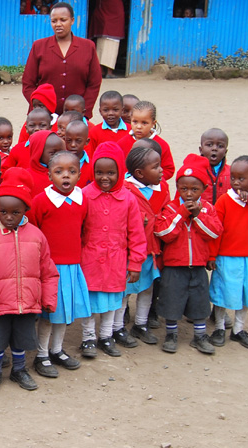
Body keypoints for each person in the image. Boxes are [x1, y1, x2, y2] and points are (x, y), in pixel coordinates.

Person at [0, 168, 59, 394]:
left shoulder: (37, 236)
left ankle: (19, 370)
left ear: (25, 210)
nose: (9, 217)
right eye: (3, 212)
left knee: (21, 340)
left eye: (15, 212)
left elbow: (48, 271)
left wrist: (48, 299)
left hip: (28, 302)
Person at [79, 142, 146, 358]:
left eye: (111, 172)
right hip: (89, 259)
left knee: (112, 302)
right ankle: (88, 338)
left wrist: (135, 263)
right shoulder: (84, 195)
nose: (104, 177)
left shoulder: (128, 199)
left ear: (120, 172)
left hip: (116, 260)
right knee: (88, 301)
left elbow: (136, 234)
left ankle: (106, 336)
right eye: (99, 172)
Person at [30, 151, 92, 377]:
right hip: (49, 269)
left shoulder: (82, 199)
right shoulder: (41, 201)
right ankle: (41, 354)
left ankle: (57, 350)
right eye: (59, 172)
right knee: (49, 314)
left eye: (72, 172)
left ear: (80, 174)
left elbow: (85, 230)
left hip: (72, 266)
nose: (66, 176)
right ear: (49, 175)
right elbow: (34, 234)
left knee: (65, 314)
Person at [155, 154, 223, 355]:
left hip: (198, 266)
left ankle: (200, 336)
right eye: (184, 189)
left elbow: (214, 232)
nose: (189, 194)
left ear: (203, 189)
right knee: (171, 301)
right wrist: (182, 214)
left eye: (195, 189)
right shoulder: (170, 209)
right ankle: (171, 334)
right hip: (174, 266)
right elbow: (164, 233)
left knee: (200, 302)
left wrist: (198, 215)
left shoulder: (208, 209)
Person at [207, 156, 248, 349]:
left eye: (242, 178)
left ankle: (238, 329)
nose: (236, 182)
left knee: (246, 293)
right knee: (223, 294)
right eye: (233, 178)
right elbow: (216, 231)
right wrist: (212, 255)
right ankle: (219, 327)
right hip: (226, 258)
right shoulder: (224, 200)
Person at [116, 146, 167, 346]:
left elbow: (166, 210)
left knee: (148, 289)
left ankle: (141, 324)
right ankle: (117, 327)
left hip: (152, 250)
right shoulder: (125, 189)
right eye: (156, 167)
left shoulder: (162, 188)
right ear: (139, 173)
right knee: (125, 290)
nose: (161, 170)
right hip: (131, 251)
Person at [22, 3, 103, 117]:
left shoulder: (88, 47)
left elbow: (94, 83)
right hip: (44, 118)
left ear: (72, 20)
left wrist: (82, 111)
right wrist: (40, 106)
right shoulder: (39, 46)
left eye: (63, 20)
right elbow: (28, 84)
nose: (58, 24)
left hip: (77, 117)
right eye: (54, 21)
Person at [117, 101, 175, 181]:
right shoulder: (122, 143)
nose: (139, 126)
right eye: (135, 122)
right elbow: (117, 166)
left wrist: (154, 178)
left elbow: (169, 169)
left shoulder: (162, 145)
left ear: (153, 123)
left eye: (144, 123)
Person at [90, 0, 126, 78]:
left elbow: (97, 14)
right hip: (114, 30)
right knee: (111, 52)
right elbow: (120, 14)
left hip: (102, 29)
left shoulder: (101, 0)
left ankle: (101, 72)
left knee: (100, 51)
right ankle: (109, 73)